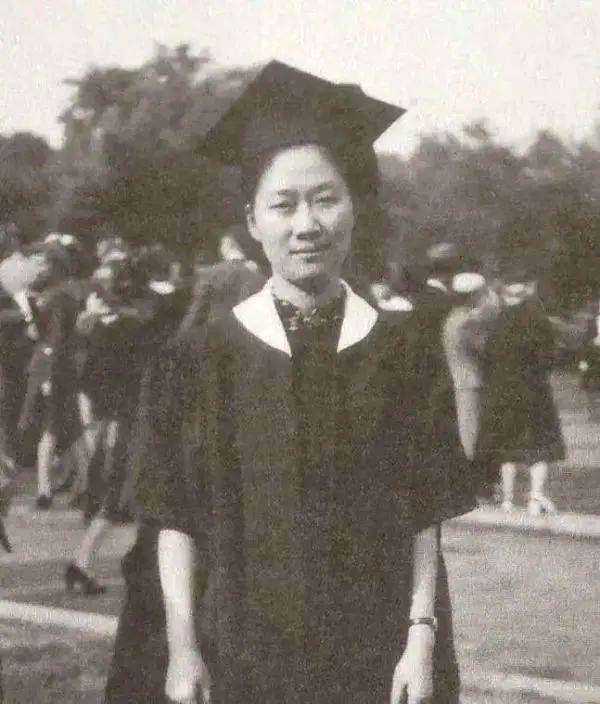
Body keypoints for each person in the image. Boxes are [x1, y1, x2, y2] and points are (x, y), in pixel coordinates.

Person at [105, 61, 477, 704]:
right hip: (235, 654)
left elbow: (423, 515)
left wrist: (421, 637)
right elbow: (173, 519)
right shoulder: (197, 360)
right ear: (253, 220)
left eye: (325, 199)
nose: (307, 224)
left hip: (373, 650)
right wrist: (183, 648)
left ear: (353, 209)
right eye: (284, 204)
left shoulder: (402, 353)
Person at [475, 274, 566, 515]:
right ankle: (535, 497)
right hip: (534, 390)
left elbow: (487, 356)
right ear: (526, 289)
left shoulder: (496, 321)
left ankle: (507, 499)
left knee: (507, 447)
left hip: (503, 392)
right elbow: (550, 355)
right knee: (539, 446)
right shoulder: (536, 317)